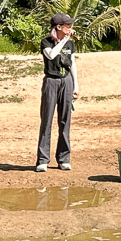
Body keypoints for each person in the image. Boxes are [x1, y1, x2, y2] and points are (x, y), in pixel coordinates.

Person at [37, 13, 79, 172]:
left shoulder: (71, 44)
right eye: (68, 25)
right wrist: (65, 40)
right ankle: (42, 160)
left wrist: (76, 85)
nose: (70, 28)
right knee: (46, 120)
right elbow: (52, 55)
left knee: (65, 121)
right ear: (58, 27)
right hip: (51, 81)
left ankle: (63, 158)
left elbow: (72, 63)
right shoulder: (46, 42)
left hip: (66, 81)